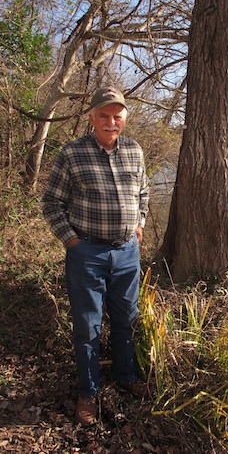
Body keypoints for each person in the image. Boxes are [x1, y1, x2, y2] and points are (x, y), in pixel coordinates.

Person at [42, 87, 150, 426]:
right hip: (87, 253)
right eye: (103, 115)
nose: (111, 121)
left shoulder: (134, 151)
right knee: (88, 326)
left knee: (126, 320)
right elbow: (51, 203)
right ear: (91, 117)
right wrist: (72, 241)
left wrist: (139, 225)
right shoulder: (72, 153)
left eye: (117, 115)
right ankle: (88, 393)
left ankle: (126, 377)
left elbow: (144, 192)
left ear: (124, 119)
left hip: (127, 253)